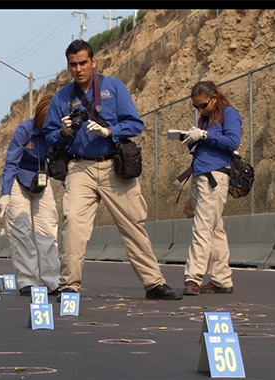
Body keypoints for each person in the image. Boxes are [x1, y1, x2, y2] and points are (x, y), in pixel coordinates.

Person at [43, 39, 182, 301]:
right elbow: (49, 136)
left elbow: (135, 124)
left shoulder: (114, 88)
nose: (79, 69)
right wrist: (63, 131)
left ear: (93, 62)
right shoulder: (62, 97)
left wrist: (109, 131)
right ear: (68, 67)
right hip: (80, 167)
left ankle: (154, 284)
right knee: (73, 225)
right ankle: (69, 286)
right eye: (73, 65)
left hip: (113, 166)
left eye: (83, 62)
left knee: (133, 224)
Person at [182, 81, 242, 295]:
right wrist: (191, 137)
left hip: (215, 176)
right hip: (200, 174)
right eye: (196, 107)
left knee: (202, 228)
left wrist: (206, 135)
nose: (200, 110)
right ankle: (222, 279)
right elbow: (202, 144)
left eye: (203, 105)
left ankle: (193, 277)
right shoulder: (205, 119)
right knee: (215, 229)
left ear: (214, 98)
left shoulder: (229, 114)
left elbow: (233, 142)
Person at [0, 94, 60, 296]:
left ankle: (52, 281)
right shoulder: (25, 129)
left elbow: (64, 162)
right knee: (21, 229)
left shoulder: (58, 133)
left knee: (47, 231)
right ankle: (27, 280)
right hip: (19, 181)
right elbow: (11, 163)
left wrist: (69, 187)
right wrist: (5, 193)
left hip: (42, 182)